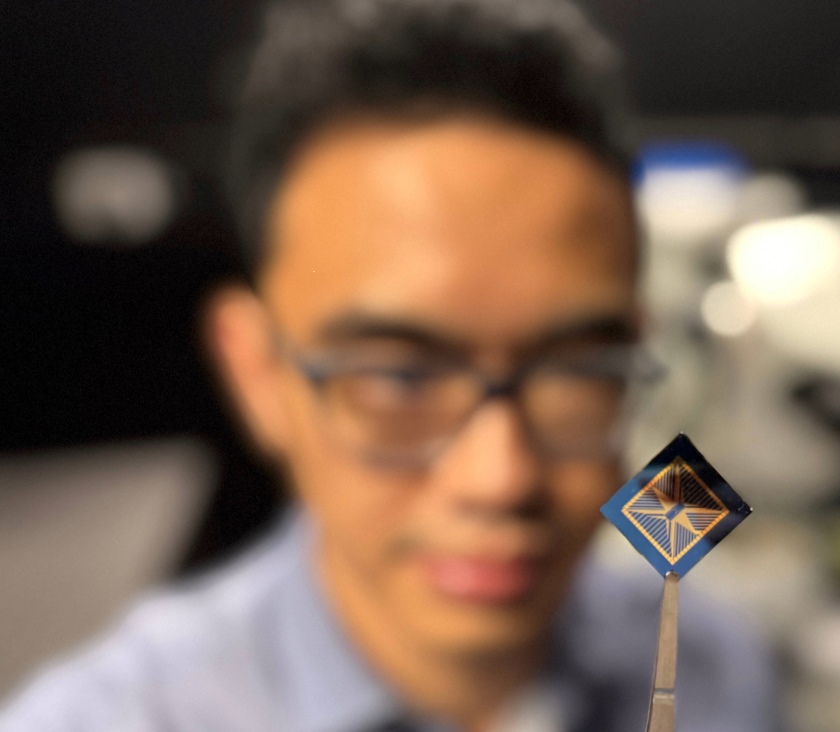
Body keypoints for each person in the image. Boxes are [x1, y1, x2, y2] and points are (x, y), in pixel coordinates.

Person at [0, 0, 780, 730]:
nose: (499, 479)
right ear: (256, 374)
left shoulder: (718, 669)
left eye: (575, 371)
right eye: (400, 378)